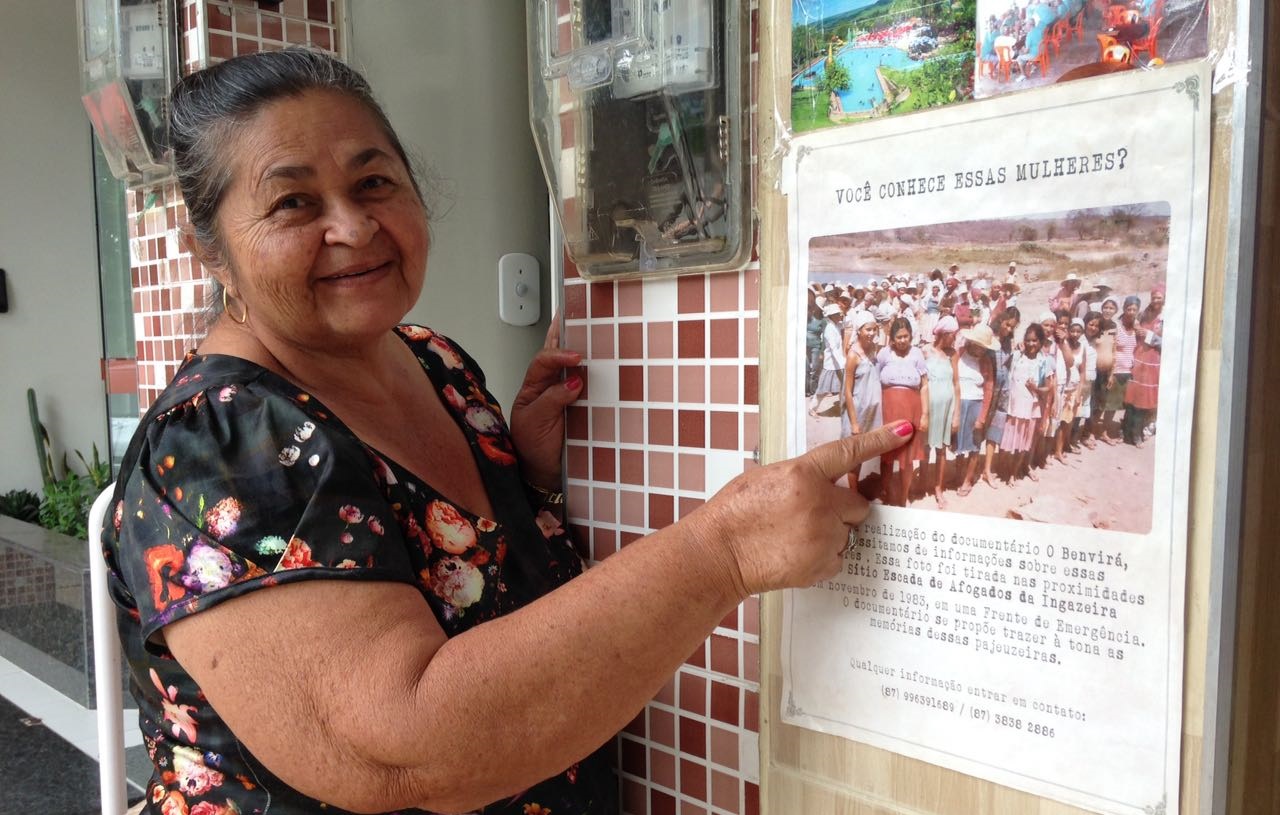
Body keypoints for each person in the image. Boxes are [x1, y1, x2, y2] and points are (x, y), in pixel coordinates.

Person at [100, 50, 913, 815]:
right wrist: (725, 552)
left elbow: (458, 580)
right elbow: (407, 745)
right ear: (208, 246)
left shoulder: (434, 364)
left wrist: (525, 475)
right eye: (293, 203)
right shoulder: (216, 442)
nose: (353, 226)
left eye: (374, 181)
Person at [877, 317, 929, 506]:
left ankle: (903, 497)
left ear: (911, 336)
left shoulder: (917, 354)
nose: (902, 340)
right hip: (888, 409)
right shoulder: (884, 354)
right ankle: (888, 493)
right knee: (888, 456)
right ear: (892, 338)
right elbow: (876, 380)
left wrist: (925, 414)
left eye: (905, 336)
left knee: (907, 459)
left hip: (911, 410)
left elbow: (924, 386)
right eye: (898, 337)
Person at [1002, 323, 1053, 482]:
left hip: (1031, 409)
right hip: (1014, 408)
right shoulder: (1017, 356)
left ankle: (1014, 473)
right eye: (1028, 340)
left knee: (1024, 445)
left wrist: (1035, 388)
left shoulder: (1044, 361)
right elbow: (1005, 376)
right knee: (1011, 444)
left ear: (1041, 341)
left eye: (1035, 341)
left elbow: (1049, 388)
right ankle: (1006, 470)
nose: (1031, 344)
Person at [842, 311, 884, 497]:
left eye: (874, 329)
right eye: (868, 329)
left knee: (866, 451)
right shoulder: (853, 356)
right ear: (859, 330)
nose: (872, 333)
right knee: (854, 456)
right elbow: (848, 392)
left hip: (871, 411)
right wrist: (854, 422)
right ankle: (852, 493)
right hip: (857, 412)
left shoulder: (873, 349)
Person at [954, 322, 998, 497]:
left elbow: (989, 388)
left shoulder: (986, 361)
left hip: (976, 404)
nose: (980, 350)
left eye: (983, 347)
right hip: (959, 404)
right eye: (978, 345)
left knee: (973, 444)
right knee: (957, 442)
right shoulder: (960, 354)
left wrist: (982, 417)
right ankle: (958, 475)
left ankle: (967, 479)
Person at [923, 316, 961, 506]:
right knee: (924, 447)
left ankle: (938, 488)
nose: (955, 339)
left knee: (941, 450)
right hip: (928, 408)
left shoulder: (952, 354)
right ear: (944, 334)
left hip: (946, 408)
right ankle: (922, 482)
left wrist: (956, 414)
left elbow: (956, 385)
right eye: (953, 335)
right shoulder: (925, 352)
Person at [981, 307, 1021, 488]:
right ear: (1001, 320)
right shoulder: (988, 337)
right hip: (987, 390)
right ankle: (965, 468)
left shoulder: (1009, 343)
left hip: (1003, 390)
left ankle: (987, 470)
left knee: (995, 430)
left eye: (1013, 327)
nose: (1009, 329)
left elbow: (1009, 365)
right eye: (1007, 325)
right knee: (978, 427)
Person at [1122, 285, 1164, 445]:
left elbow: (1169, 343)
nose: (1155, 300)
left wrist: (1149, 335)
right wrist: (1138, 328)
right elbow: (1132, 323)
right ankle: (1127, 430)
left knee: (1144, 398)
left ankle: (1137, 433)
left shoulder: (1165, 317)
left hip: (1153, 359)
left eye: (1159, 297)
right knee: (1132, 394)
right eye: (1153, 297)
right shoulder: (1144, 313)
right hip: (1138, 355)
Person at [809, 302, 846, 416]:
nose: (839, 315)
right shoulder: (830, 329)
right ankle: (812, 408)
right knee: (823, 390)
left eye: (839, 313)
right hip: (831, 364)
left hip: (838, 364)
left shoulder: (836, 325)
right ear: (831, 316)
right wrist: (842, 362)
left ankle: (843, 408)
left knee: (842, 387)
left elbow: (847, 323)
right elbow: (834, 349)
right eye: (836, 314)